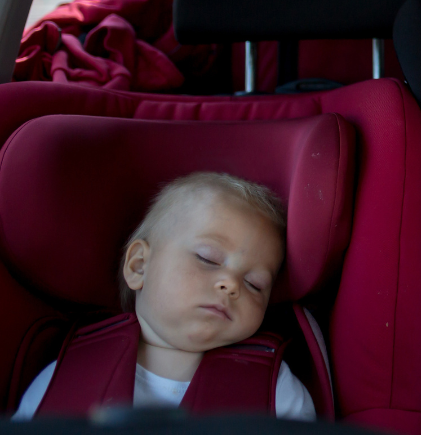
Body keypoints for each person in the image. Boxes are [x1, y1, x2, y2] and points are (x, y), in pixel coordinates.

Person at [13, 172, 315, 420]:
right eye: (207, 259)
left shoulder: (276, 391)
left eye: (254, 284)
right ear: (139, 266)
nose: (231, 284)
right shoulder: (65, 377)